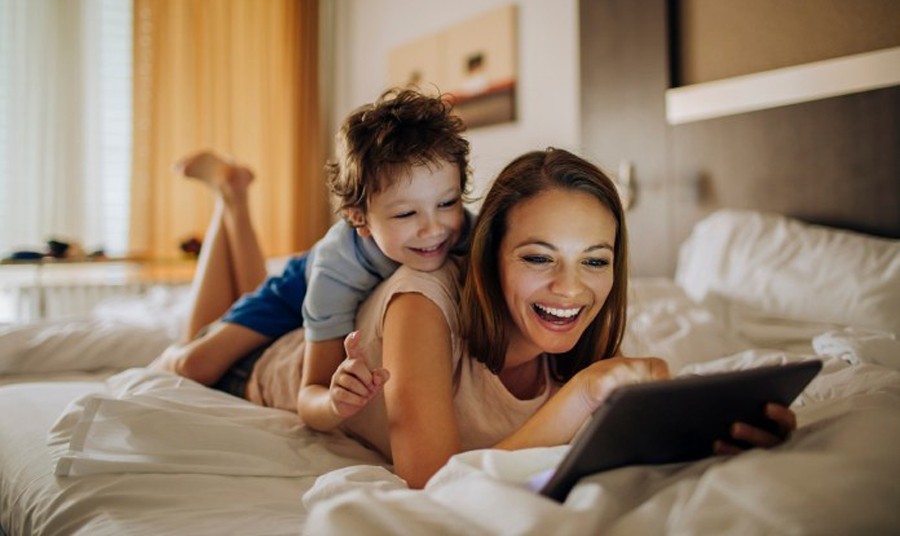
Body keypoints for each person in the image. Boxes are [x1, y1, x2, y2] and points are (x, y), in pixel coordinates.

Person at [251, 148, 797, 489]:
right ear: (488, 256)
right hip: (271, 363)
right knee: (213, 334)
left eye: (594, 261)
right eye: (538, 257)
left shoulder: (586, 329)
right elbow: (430, 481)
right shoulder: (422, 303)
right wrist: (581, 396)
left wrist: (718, 434)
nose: (571, 289)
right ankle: (236, 204)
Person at [151, 87, 474, 431]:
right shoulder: (337, 268)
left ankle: (233, 193)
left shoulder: (469, 233)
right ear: (358, 218)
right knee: (195, 366)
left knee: (245, 300)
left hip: (317, 284)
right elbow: (311, 392)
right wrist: (334, 403)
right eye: (406, 213)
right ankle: (229, 199)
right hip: (294, 289)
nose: (434, 228)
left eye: (447, 203)